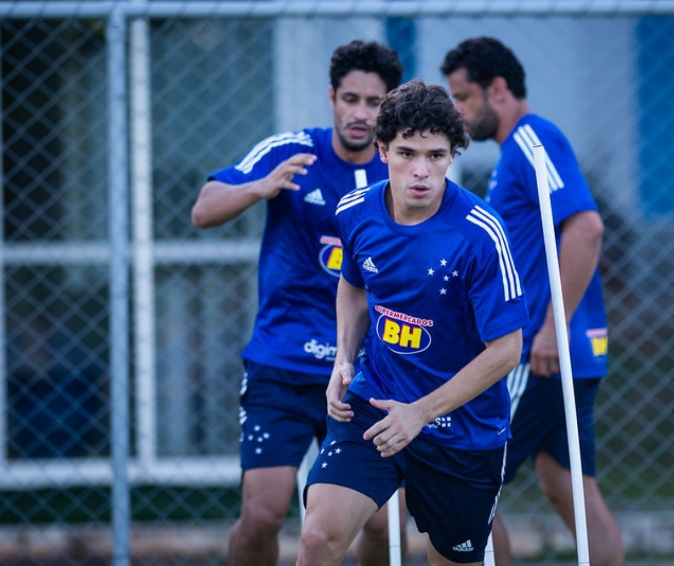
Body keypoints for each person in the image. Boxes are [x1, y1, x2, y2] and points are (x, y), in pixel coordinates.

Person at [296, 79, 529, 566]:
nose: (421, 171)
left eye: (437, 155)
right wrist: (343, 358)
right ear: (380, 149)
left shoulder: (481, 234)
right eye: (406, 153)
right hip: (375, 403)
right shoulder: (355, 212)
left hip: (461, 430)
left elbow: (506, 350)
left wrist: (420, 412)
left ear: (452, 155)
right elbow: (354, 285)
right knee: (318, 537)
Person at [191, 40, 404, 566]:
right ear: (331, 97)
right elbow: (203, 210)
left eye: (374, 102)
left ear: (389, 104)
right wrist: (259, 188)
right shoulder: (290, 151)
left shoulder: (402, 168)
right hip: (282, 363)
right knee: (263, 515)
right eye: (349, 98)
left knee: (380, 522)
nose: (360, 113)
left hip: (365, 371)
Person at [441, 37, 625, 566]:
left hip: (541, 352)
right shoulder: (515, 152)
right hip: (567, 351)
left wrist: (549, 330)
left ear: (498, 90)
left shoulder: (531, 140)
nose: (456, 110)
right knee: (568, 489)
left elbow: (586, 228)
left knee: (469, 485)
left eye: (462, 96)